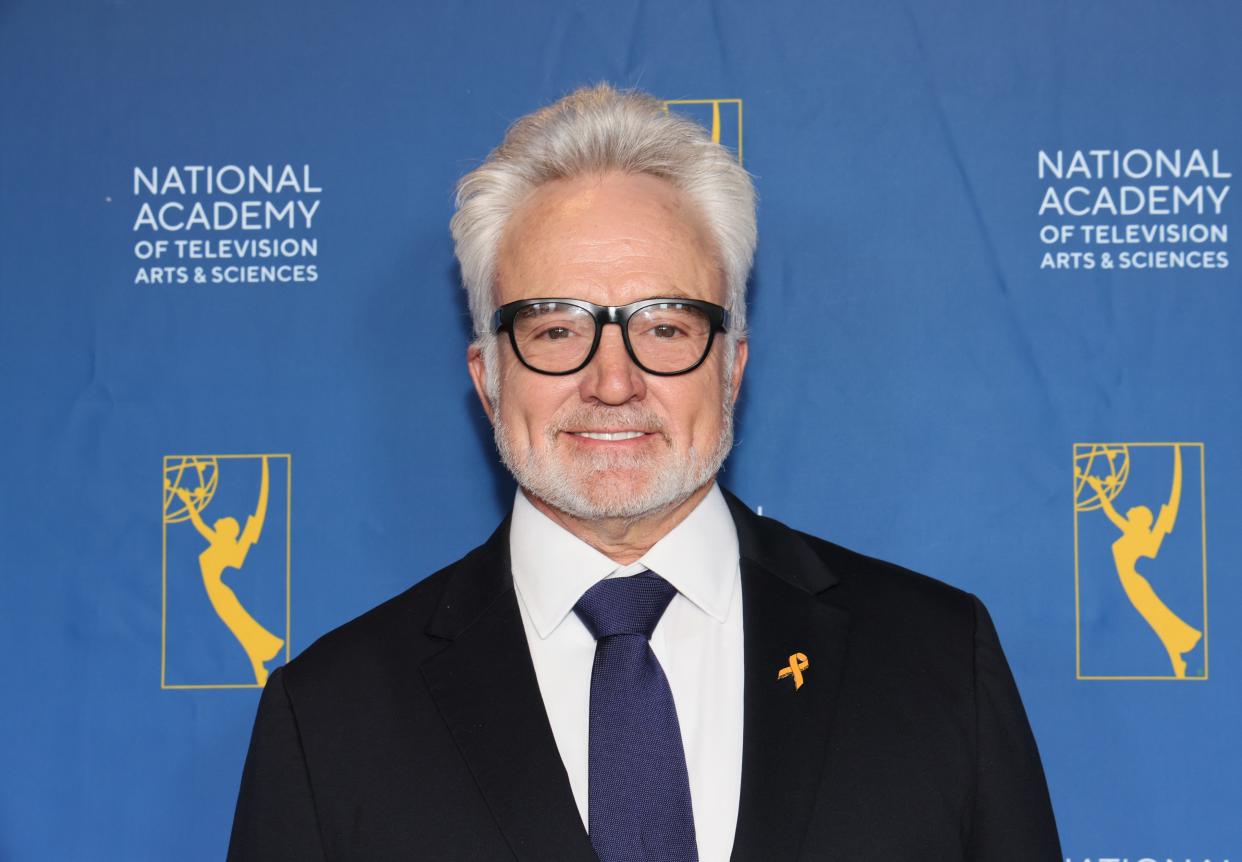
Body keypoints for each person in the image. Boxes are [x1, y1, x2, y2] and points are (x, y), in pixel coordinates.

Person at [227, 84, 1061, 861]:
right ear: (487, 378)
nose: (614, 382)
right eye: (555, 330)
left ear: (731, 367)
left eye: (664, 328)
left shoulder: (936, 659)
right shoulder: (331, 720)